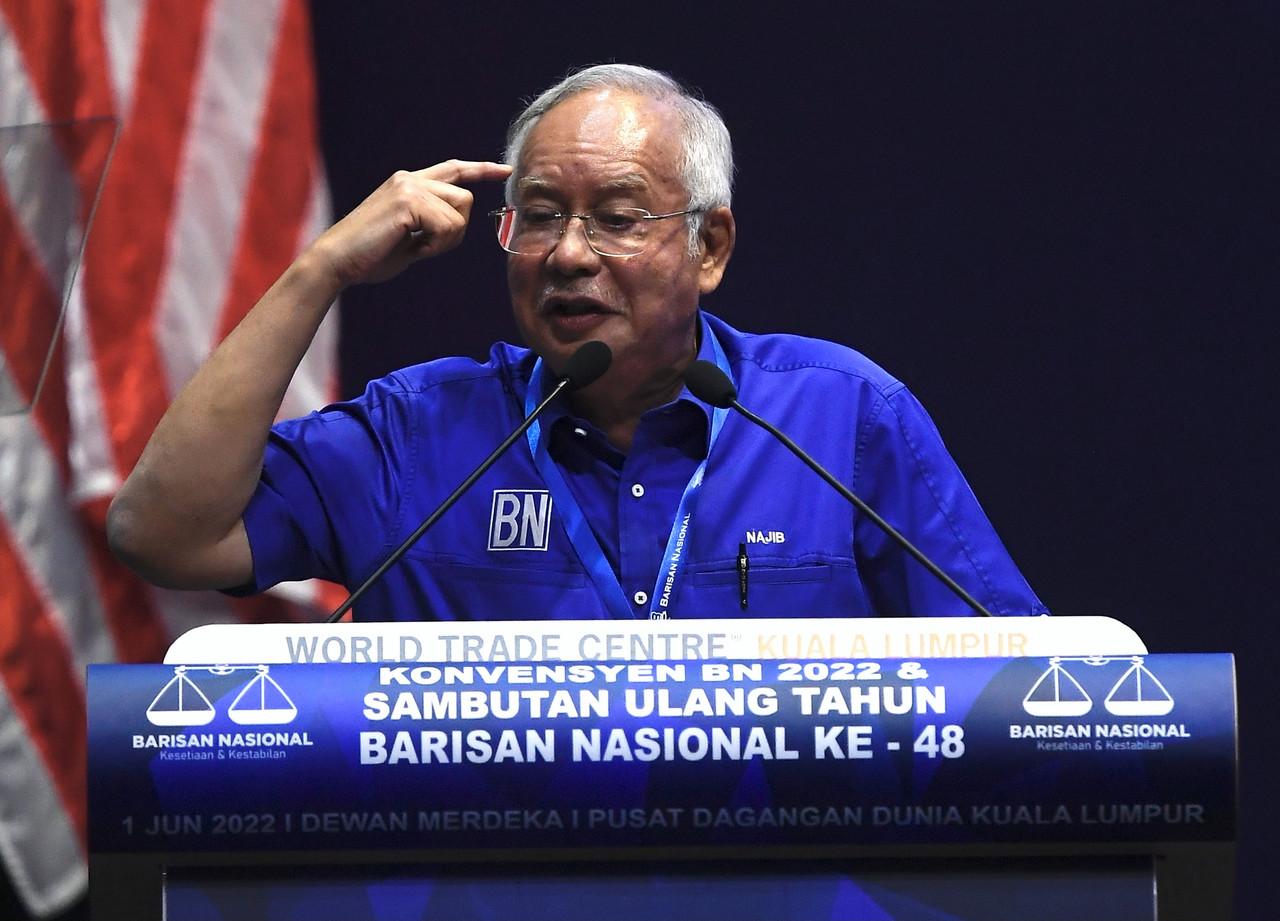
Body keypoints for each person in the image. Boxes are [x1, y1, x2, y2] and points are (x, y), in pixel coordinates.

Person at [107, 64, 1046, 622]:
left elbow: (1021, 683)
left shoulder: (840, 419)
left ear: (709, 246)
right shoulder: (417, 437)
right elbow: (163, 535)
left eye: (619, 218)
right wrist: (320, 271)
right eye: (540, 215)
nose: (566, 254)